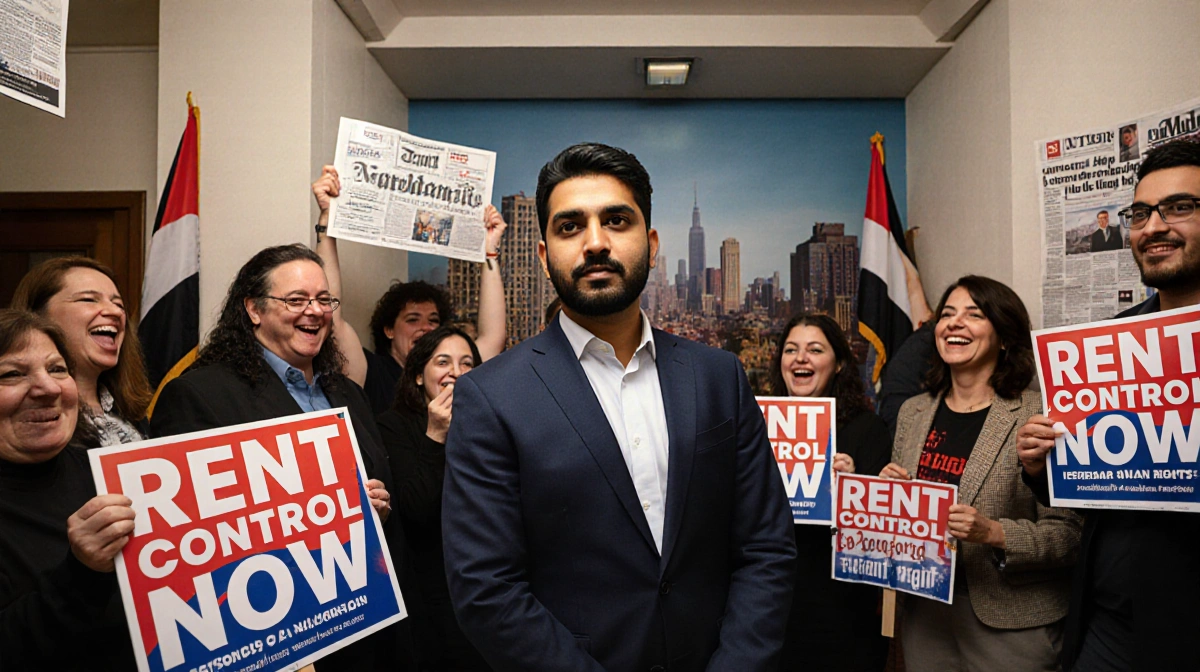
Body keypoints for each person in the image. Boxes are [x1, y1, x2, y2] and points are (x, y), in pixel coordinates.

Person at [441, 142, 796, 671]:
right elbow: (487, 590)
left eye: (616, 220)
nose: (595, 243)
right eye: (570, 227)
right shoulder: (492, 398)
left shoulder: (718, 376)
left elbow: (766, 548)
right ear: (543, 255)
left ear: (651, 244)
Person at [148, 244, 400, 670]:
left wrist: (374, 506)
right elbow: (188, 540)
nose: (315, 311)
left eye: (324, 300)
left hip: (363, 623)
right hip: (271, 631)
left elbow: (378, 487)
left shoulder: (348, 394)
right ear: (253, 309)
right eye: (296, 300)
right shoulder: (200, 395)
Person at [1017, 137, 1200, 671]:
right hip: (1111, 623)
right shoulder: (1111, 343)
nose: (1153, 227)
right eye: (1141, 213)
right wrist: (1041, 466)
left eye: (1180, 207)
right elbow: (1095, 483)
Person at [879, 275, 1081, 672]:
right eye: (947, 314)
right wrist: (890, 497)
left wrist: (993, 533)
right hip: (926, 614)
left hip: (1011, 623)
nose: (955, 323)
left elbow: (1071, 536)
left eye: (974, 314)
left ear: (1004, 337)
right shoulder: (913, 412)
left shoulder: (1041, 415)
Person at [0, 309, 138, 670]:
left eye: (58, 369)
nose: (48, 389)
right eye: (11, 374)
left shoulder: (110, 472)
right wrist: (82, 573)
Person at [311, 165, 508, 414]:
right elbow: (332, 318)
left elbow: (493, 338)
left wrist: (490, 250)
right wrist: (327, 222)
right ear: (389, 330)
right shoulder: (372, 371)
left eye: (433, 320)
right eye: (413, 319)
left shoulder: (454, 373)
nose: (426, 328)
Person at [768, 312, 890, 672]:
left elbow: (880, 535)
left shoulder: (868, 430)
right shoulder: (756, 424)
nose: (800, 358)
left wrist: (854, 487)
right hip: (772, 599)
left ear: (837, 364)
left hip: (842, 606)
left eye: (815, 350)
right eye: (791, 350)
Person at [376, 325, 489, 671]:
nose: (456, 372)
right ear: (419, 377)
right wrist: (436, 434)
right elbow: (415, 511)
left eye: (467, 363)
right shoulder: (392, 426)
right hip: (430, 592)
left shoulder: (489, 424)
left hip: (486, 584)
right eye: (443, 362)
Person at [11, 257, 153, 444]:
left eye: (118, 304)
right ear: (37, 317)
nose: (116, 312)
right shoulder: (31, 417)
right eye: (89, 300)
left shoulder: (132, 413)